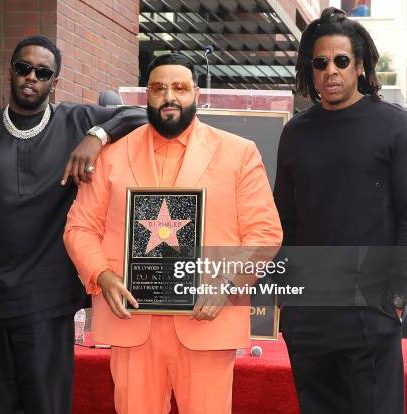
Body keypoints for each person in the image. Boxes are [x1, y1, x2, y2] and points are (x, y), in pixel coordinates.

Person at [63, 52, 282, 414]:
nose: (169, 96)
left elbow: (265, 232)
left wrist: (226, 280)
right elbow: (79, 228)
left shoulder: (238, 153)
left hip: (207, 320)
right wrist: (103, 275)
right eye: (159, 88)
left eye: (180, 88)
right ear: (146, 95)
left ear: (196, 93)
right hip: (131, 321)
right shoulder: (112, 157)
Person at [0, 35, 146, 414]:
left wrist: (97, 135)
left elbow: (142, 115)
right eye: (23, 68)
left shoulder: (78, 121)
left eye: (42, 72)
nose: (31, 77)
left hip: (47, 301)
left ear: (55, 80)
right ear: (11, 72)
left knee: (46, 406)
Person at [274, 8, 407, 414]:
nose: (330, 71)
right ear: (309, 69)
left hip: (372, 309)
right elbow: (284, 221)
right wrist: (287, 298)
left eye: (341, 61)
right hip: (309, 314)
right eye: (320, 63)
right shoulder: (295, 132)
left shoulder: (395, 126)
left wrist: (398, 293)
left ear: (361, 66)